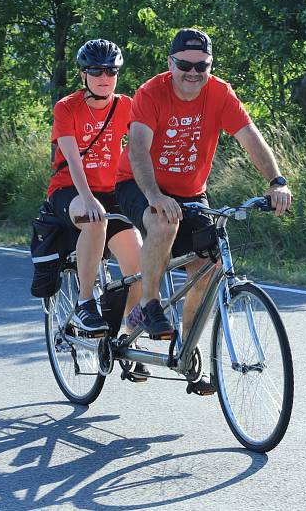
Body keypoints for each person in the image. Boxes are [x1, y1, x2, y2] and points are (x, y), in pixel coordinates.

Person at [115, 28, 292, 394]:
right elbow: (138, 151)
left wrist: (276, 181)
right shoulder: (151, 93)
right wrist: (154, 195)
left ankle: (186, 347)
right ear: (171, 63)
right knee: (162, 224)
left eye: (202, 66)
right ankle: (149, 304)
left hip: (191, 192)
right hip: (138, 183)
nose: (193, 73)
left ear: (210, 66)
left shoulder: (219, 93)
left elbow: (250, 137)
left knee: (209, 269)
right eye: (185, 65)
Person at [48, 38, 149, 380]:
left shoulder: (128, 106)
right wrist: (88, 197)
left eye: (111, 71)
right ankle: (85, 302)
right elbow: (72, 160)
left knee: (138, 261)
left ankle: (131, 338)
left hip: (112, 192)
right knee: (96, 220)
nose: (104, 77)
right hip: (70, 191)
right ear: (84, 74)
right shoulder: (67, 107)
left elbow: (142, 151)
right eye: (96, 71)